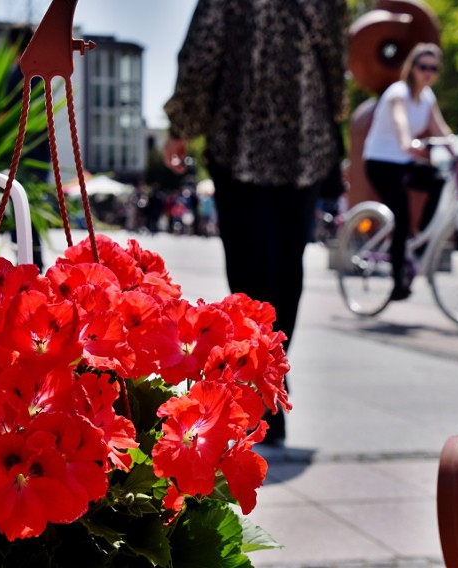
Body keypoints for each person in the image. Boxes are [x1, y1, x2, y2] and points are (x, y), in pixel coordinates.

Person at [163, 0, 347, 446]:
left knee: (251, 276)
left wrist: (182, 126)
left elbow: (202, 53)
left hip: (241, 137)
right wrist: (333, 115)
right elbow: (336, 56)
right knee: (287, 269)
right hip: (305, 142)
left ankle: (257, 390)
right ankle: (270, 381)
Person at [362, 43, 453, 301]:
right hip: (380, 162)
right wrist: (407, 142)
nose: (428, 72)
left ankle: (420, 238)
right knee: (401, 214)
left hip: (403, 162)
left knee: (438, 180)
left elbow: (440, 128)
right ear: (412, 67)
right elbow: (400, 119)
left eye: (433, 68)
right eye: (423, 66)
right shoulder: (397, 92)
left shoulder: (427, 97)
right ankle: (397, 282)